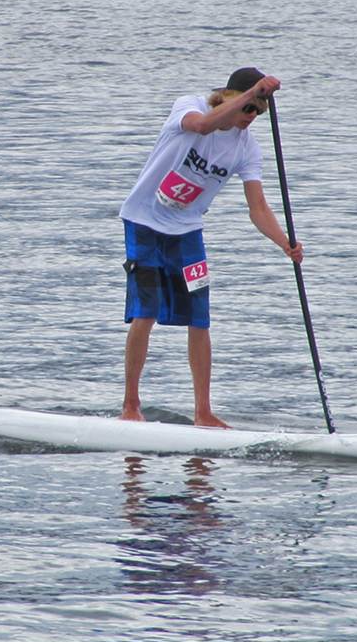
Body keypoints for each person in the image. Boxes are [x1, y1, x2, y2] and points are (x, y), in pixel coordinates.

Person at [118, 67, 304, 428]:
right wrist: (251, 93)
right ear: (230, 97)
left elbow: (258, 208)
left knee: (200, 319)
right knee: (147, 311)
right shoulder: (190, 106)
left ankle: (203, 412)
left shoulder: (246, 149)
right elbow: (201, 126)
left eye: (259, 113)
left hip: (187, 232)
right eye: (247, 108)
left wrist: (286, 244)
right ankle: (130, 405)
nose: (251, 118)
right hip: (143, 223)